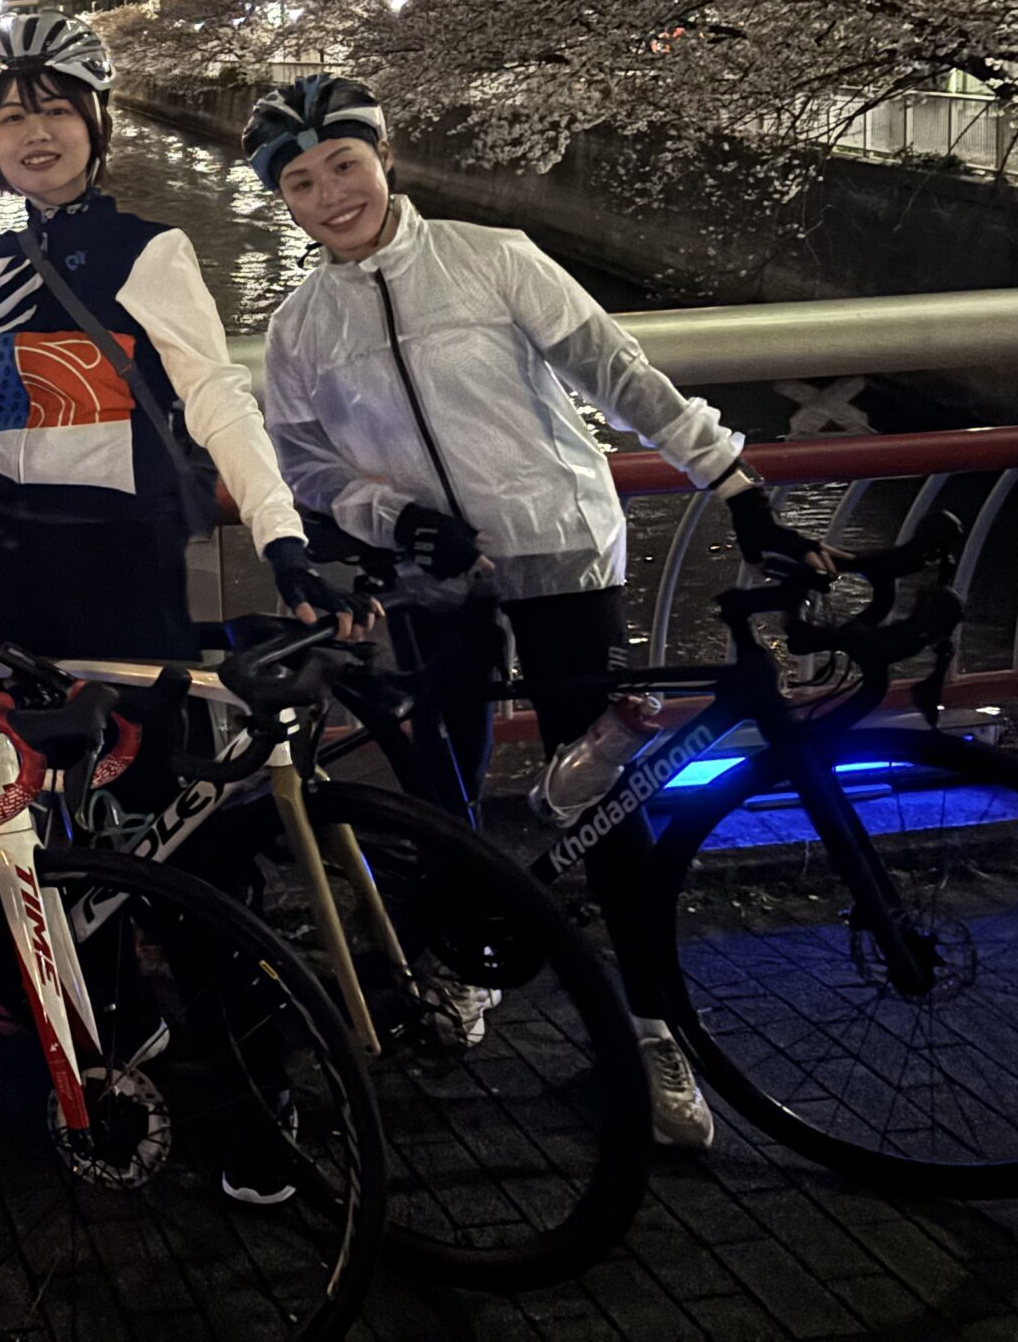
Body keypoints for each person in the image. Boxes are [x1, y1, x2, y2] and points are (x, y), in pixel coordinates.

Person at [246, 72, 834, 1150]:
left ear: (385, 159)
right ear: (280, 199)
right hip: (432, 574)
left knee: (600, 791)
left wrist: (733, 483)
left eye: (345, 166)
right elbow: (305, 464)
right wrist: (391, 518)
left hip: (559, 544)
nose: (331, 196)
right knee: (443, 783)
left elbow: (616, 371)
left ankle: (652, 1029)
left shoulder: (493, 256)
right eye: (301, 183)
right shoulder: (297, 327)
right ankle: (463, 963)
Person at [0, 12, 363, 1195]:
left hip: (120, 575)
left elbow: (215, 399)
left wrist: (284, 540)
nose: (33, 132)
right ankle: (107, 1041)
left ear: (96, 125)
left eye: (55, 110)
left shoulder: (151, 250)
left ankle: (253, 1098)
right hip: (4, 576)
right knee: (39, 834)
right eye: (11, 114)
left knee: (179, 834)